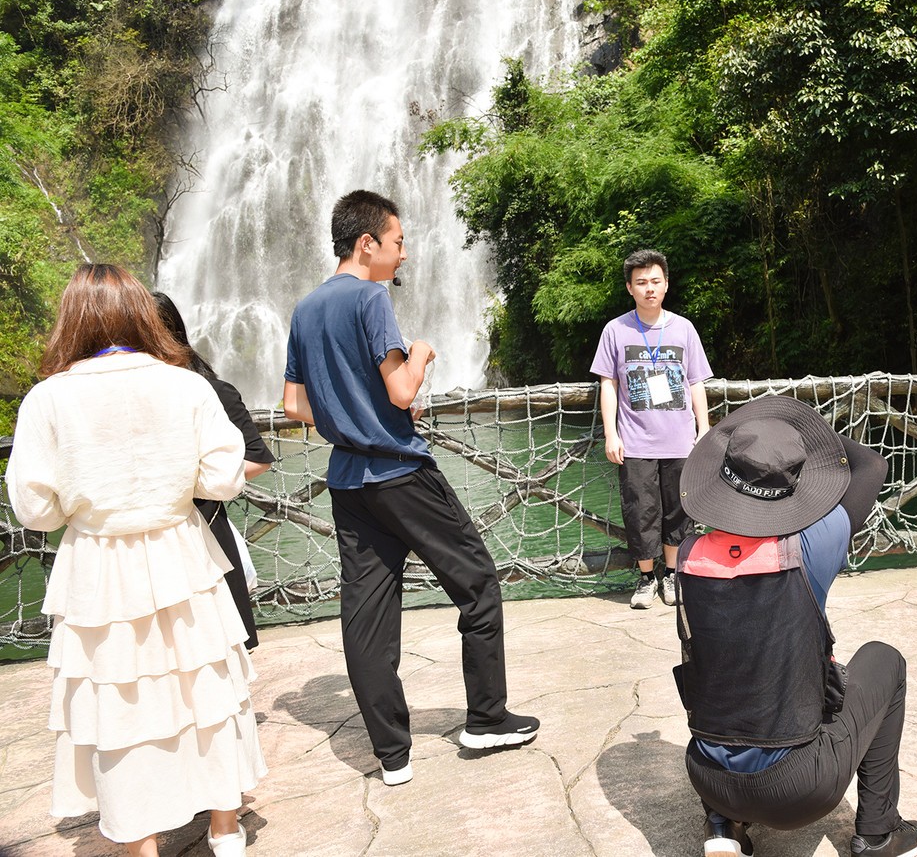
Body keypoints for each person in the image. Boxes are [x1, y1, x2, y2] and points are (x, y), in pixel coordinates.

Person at [6, 264, 266, 856]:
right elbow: (223, 479)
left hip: (99, 567)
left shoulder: (47, 399)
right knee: (207, 690)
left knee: (120, 705)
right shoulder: (187, 385)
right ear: (142, 315)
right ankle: (225, 828)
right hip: (182, 553)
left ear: (72, 320)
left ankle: (141, 844)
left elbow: (35, 508)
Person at [282, 190, 538, 786]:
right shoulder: (370, 297)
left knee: (367, 614)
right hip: (400, 473)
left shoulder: (305, 308)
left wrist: (353, 418)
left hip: (348, 482)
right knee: (477, 583)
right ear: (366, 243)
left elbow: (295, 405)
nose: (403, 255)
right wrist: (420, 354)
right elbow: (401, 390)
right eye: (397, 243)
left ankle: (392, 755)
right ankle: (487, 718)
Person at [673, 396, 917, 857]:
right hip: (796, 790)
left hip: (707, 777)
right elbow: (871, 465)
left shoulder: (689, 553)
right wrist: (811, 436)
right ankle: (878, 832)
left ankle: (723, 827)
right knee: (885, 660)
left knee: (729, 677)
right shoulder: (810, 545)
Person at [590, 249, 712, 609]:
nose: (649, 288)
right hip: (635, 441)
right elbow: (608, 384)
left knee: (678, 510)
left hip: (680, 440)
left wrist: (704, 427)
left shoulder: (684, 328)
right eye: (641, 282)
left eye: (655, 281)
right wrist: (611, 434)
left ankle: (672, 575)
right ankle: (646, 579)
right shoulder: (615, 330)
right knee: (639, 511)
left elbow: (695, 382)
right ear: (630, 288)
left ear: (666, 284)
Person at [154, 292, 275, 649]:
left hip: (204, 524)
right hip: (150, 536)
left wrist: (194, 482)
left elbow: (258, 458)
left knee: (219, 642)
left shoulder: (213, 392)